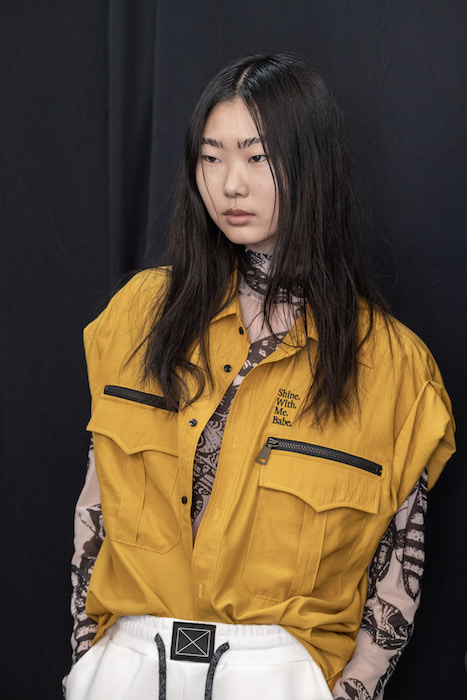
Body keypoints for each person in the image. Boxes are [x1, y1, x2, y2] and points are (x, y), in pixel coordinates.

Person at [65, 54, 455, 699]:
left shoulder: (393, 365)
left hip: (278, 673)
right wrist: (89, 660)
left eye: (258, 157)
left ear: (311, 164)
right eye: (211, 157)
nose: (230, 184)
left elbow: (397, 568)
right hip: (128, 662)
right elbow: (96, 503)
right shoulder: (138, 314)